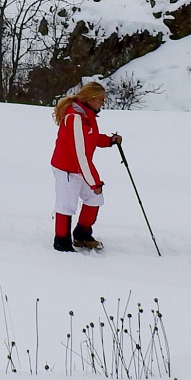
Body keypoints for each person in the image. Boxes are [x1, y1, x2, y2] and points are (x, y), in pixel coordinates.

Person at [51, 81, 119, 252]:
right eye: (101, 100)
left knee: (95, 199)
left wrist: (109, 141)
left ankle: (82, 234)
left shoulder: (87, 115)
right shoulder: (75, 117)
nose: (103, 103)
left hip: (80, 167)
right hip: (67, 167)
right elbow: (80, 155)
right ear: (90, 98)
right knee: (66, 205)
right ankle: (62, 242)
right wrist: (94, 182)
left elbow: (91, 138)